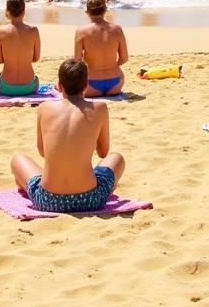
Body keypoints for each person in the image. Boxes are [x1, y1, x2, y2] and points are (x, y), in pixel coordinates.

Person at [10, 58, 126, 213]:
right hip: (90, 200)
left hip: (48, 200)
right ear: (86, 85)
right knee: (116, 158)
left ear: (59, 86)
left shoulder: (44, 108)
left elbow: (43, 152)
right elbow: (103, 153)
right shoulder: (99, 108)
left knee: (18, 159)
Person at [74, 0, 128, 97]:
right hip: (116, 83)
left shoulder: (81, 31)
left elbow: (77, 61)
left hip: (90, 83)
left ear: (87, 12)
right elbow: (124, 58)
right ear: (105, 10)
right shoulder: (117, 29)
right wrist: (110, 66)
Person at [0, 0, 41, 95]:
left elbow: (0, 60)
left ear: (7, 12)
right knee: (36, 79)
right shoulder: (33, 31)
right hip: (29, 87)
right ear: (24, 12)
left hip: (5, 87)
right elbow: (36, 58)